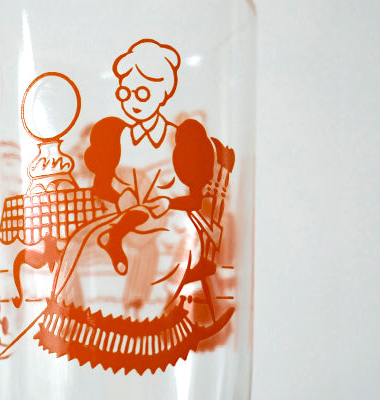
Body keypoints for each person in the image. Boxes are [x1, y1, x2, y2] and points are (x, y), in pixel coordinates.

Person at [34, 39, 221, 373]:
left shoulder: (181, 140)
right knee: (80, 239)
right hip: (126, 215)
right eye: (125, 92)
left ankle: (142, 326)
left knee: (159, 241)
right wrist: (119, 199)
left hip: (169, 219)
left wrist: (163, 203)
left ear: (163, 93)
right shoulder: (114, 137)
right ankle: (77, 324)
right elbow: (101, 187)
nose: (132, 102)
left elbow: (192, 199)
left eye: (143, 93)